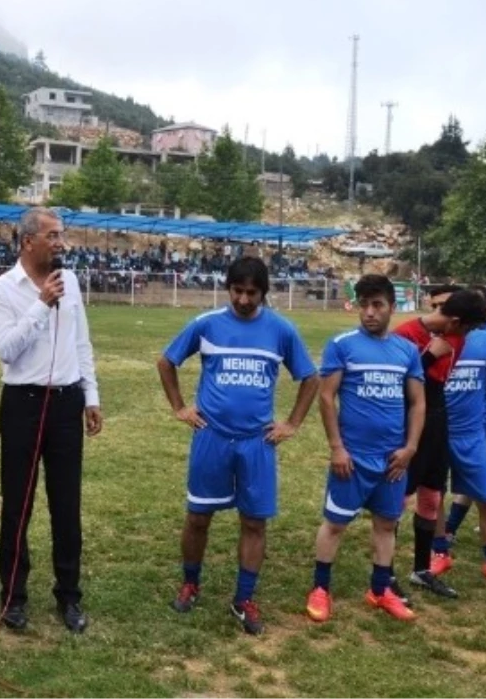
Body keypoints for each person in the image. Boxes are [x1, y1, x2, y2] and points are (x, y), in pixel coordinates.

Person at [157, 257, 319, 635]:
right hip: (211, 437)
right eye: (238, 291)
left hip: (256, 442)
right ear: (228, 288)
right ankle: (190, 583)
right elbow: (167, 362)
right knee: (198, 517)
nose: (244, 299)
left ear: (263, 293)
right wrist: (180, 407)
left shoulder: (281, 330)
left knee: (254, 521)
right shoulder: (207, 324)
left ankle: (243, 598)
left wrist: (292, 423)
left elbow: (309, 379)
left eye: (252, 292)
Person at [0, 207, 102, 634]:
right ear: (28, 240)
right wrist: (40, 305)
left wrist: (91, 396)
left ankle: (69, 596)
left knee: (66, 505)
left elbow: (81, 340)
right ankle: (13, 597)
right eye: (52, 235)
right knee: (19, 504)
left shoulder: (69, 281)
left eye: (62, 235)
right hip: (23, 403)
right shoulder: (1, 290)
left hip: (67, 403)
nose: (60, 243)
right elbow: (6, 350)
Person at [304, 274, 424, 622]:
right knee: (335, 524)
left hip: (393, 459)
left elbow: (417, 403)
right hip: (352, 458)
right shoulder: (342, 344)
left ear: (392, 307)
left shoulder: (406, 351)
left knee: (386, 525)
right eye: (364, 305)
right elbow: (326, 397)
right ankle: (321, 588)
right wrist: (337, 448)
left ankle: (379, 589)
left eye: (377, 305)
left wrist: (411, 447)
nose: (369, 312)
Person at [427, 290, 486, 588]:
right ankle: (439, 552)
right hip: (437, 433)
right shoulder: (429, 343)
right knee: (434, 497)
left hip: (470, 435)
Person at [393, 284, 462, 600]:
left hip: (439, 416)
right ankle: (385, 571)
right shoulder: (406, 333)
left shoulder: (459, 336)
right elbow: (396, 381)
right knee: (398, 498)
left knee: (433, 497)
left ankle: (422, 569)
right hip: (411, 417)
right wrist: (426, 356)